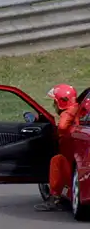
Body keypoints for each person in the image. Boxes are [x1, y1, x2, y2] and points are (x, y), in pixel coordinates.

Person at [35, 83, 80, 212]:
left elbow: (62, 127)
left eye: (55, 102)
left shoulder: (68, 113)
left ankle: (54, 198)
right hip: (76, 161)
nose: (54, 105)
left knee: (57, 160)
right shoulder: (78, 109)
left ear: (62, 101)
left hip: (72, 162)